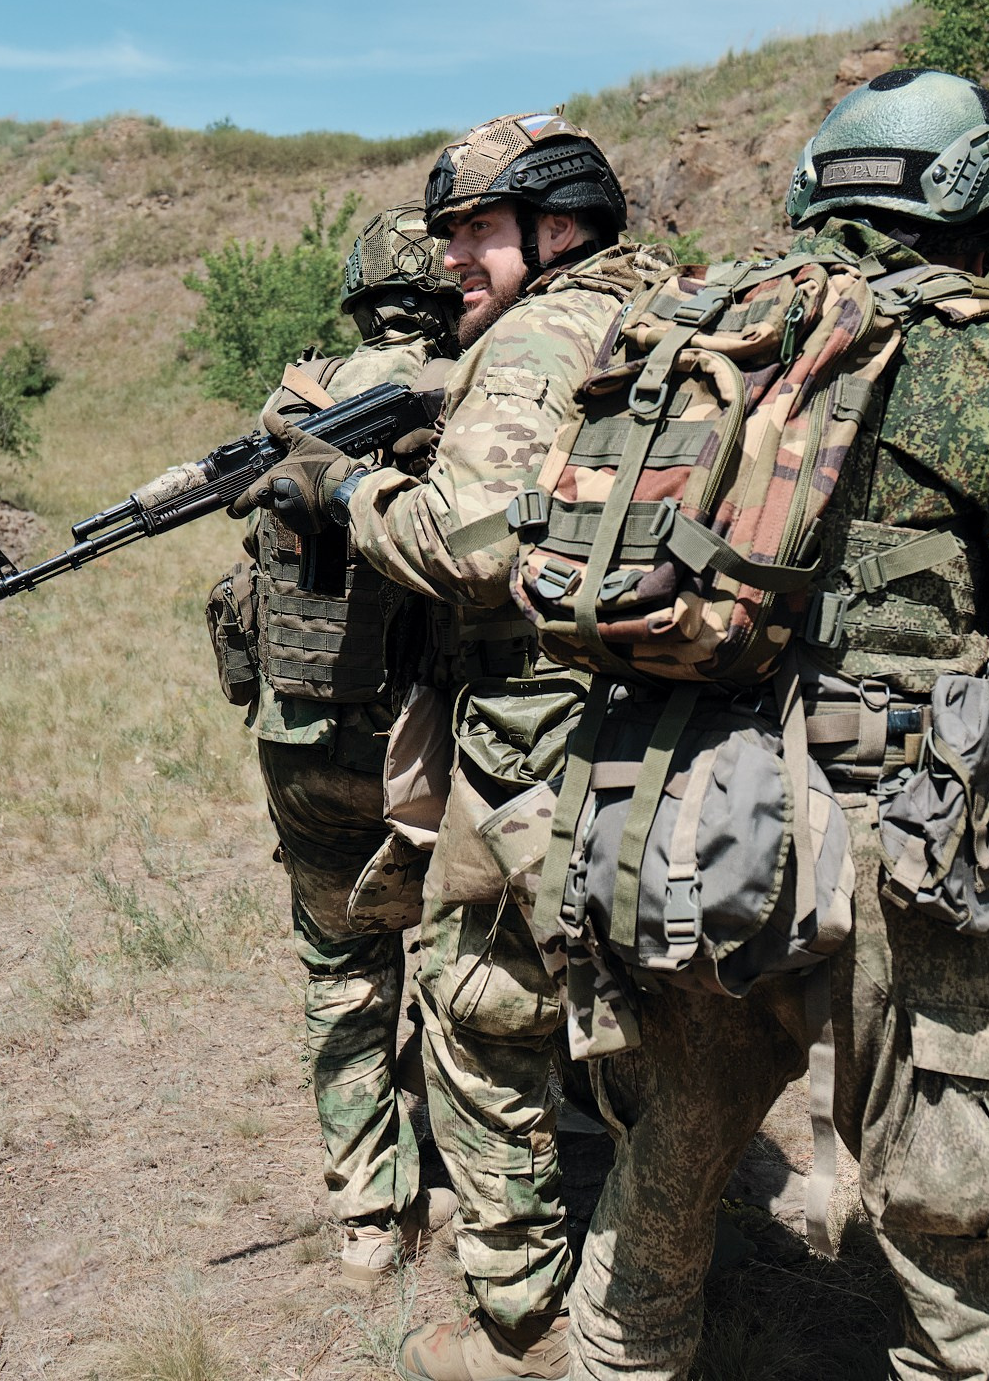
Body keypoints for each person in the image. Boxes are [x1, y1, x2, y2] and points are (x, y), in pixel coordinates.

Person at [551, 68, 989, 1381]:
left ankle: (622, 1359)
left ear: (821, 188)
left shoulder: (702, 325)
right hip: (915, 821)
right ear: (973, 202)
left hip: (677, 799)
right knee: (953, 1179)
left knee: (676, 1126)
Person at [236, 112, 673, 1381]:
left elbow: (463, 543)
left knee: (477, 1010)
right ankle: (646, 1271)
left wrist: (345, 486)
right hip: (661, 740)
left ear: (553, 223)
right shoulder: (665, 309)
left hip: (515, 741)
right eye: (439, 241)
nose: (452, 263)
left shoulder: (526, 343)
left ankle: (512, 1299)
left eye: (476, 231)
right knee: (646, 1017)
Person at [237, 202, 463, 1292]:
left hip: (305, 730)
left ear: (356, 290)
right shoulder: (483, 390)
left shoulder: (297, 397)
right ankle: (485, 1186)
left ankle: (368, 1218)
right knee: (476, 967)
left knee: (340, 969)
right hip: (441, 736)